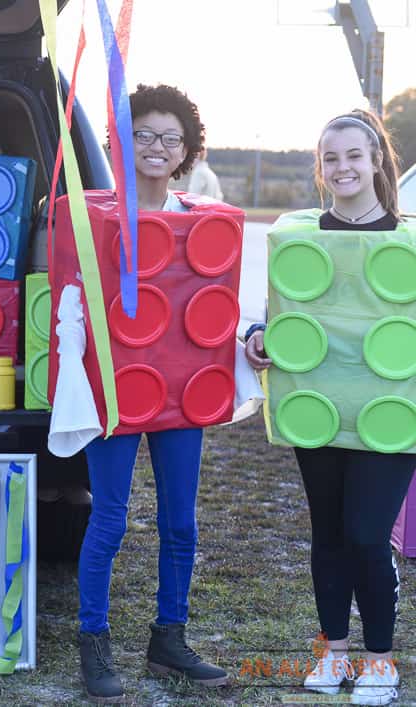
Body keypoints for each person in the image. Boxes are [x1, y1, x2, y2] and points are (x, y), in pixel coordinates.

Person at [245, 109, 411, 707]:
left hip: (389, 411)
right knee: (330, 535)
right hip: (317, 408)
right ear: (321, 168)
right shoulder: (301, 238)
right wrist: (258, 336)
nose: (342, 167)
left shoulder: (409, 242)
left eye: (353, 156)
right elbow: (277, 310)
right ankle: (334, 653)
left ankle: (381, 661)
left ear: (375, 163)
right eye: (330, 158)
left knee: (369, 535)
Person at [73, 84, 229, 703]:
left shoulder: (202, 221)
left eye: (171, 137)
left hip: (182, 392)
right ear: (119, 139)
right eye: (143, 134)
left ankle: (169, 639)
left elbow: (218, 303)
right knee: (109, 518)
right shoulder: (94, 217)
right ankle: (94, 639)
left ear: (187, 149)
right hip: (117, 390)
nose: (157, 147)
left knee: (181, 524)